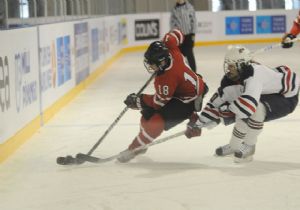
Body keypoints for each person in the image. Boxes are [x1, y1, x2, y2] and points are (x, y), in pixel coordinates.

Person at [185, 45, 299, 163]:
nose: (228, 69)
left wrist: (223, 112)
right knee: (240, 104)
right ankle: (234, 146)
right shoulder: (232, 78)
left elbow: (247, 107)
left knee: (256, 109)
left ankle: (249, 146)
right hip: (268, 92)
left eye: (232, 66)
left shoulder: (255, 76)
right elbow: (216, 101)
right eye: (228, 66)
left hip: (286, 97)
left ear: (242, 65)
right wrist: (199, 123)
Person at [117, 29, 208, 163]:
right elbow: (176, 33)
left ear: (161, 62)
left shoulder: (166, 80)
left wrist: (138, 100)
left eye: (152, 64)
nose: (149, 66)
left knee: (157, 119)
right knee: (147, 113)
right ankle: (142, 143)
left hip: (188, 100)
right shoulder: (169, 45)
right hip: (186, 87)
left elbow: (157, 103)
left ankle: (134, 149)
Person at [170, 0, 197, 72]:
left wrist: (193, 34)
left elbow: (193, 21)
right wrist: (174, 33)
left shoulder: (189, 7)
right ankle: (180, 72)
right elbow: (172, 23)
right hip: (179, 36)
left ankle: (194, 72)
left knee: (189, 54)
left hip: (188, 35)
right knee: (178, 55)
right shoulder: (174, 9)